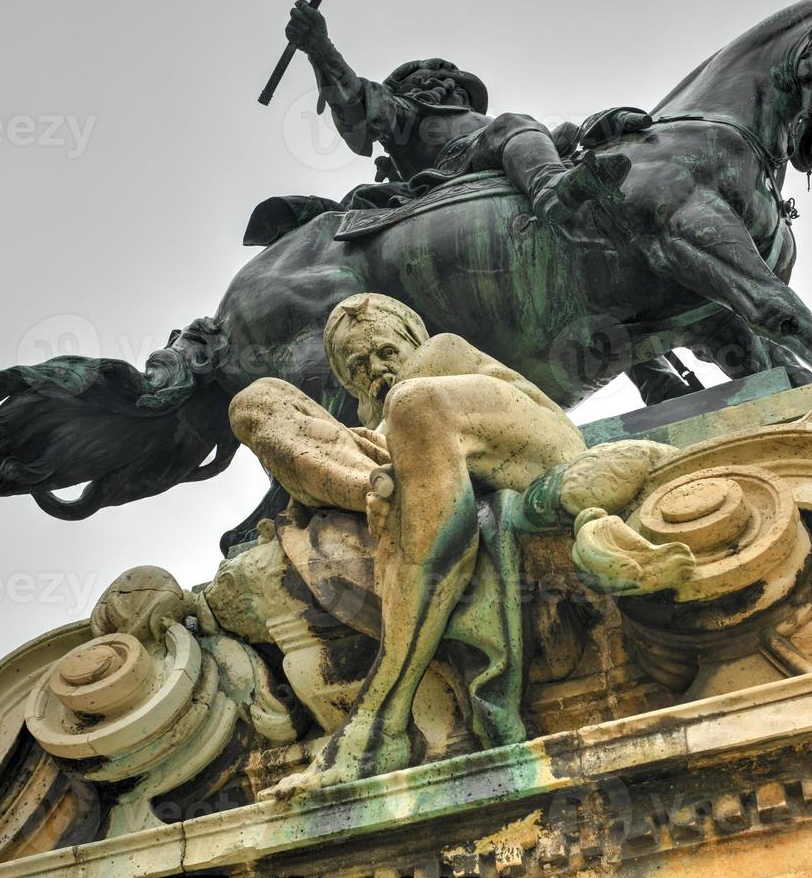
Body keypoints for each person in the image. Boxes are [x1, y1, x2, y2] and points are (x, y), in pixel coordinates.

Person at [227, 293, 588, 793]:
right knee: (256, 399)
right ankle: (376, 488)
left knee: (412, 398)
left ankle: (378, 722)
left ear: (409, 337)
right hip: (402, 464)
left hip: (527, 449)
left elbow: (426, 398)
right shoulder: (368, 424)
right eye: (357, 365)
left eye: (384, 351)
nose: (374, 367)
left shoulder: (439, 355)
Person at [284, 0, 632, 227]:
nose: (450, 85)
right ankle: (551, 191)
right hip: (447, 171)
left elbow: (557, 139)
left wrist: (604, 126)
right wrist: (320, 48)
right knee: (513, 123)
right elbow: (355, 103)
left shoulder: (486, 125)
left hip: (500, 152)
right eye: (439, 78)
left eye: (456, 82)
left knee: (558, 129)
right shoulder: (407, 112)